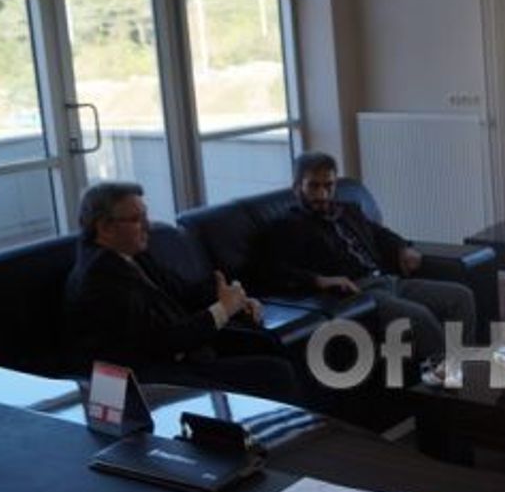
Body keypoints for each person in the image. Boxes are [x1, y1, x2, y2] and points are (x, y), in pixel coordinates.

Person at [63, 182, 303, 403]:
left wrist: (235, 300)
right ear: (104, 227)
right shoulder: (98, 279)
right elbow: (155, 343)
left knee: (266, 342)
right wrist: (223, 310)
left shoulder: (131, 255)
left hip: (183, 349)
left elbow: (182, 292)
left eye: (145, 216)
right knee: (276, 372)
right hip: (154, 375)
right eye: (137, 219)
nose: (148, 226)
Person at [259, 151, 476, 365]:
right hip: (359, 294)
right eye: (314, 186)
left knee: (460, 297)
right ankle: (448, 376)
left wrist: (402, 248)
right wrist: (321, 280)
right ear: (297, 187)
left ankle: (461, 366)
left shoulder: (348, 211)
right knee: (420, 317)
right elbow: (273, 271)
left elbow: (380, 234)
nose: (323, 194)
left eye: (328, 186)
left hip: (389, 281)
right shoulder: (287, 226)